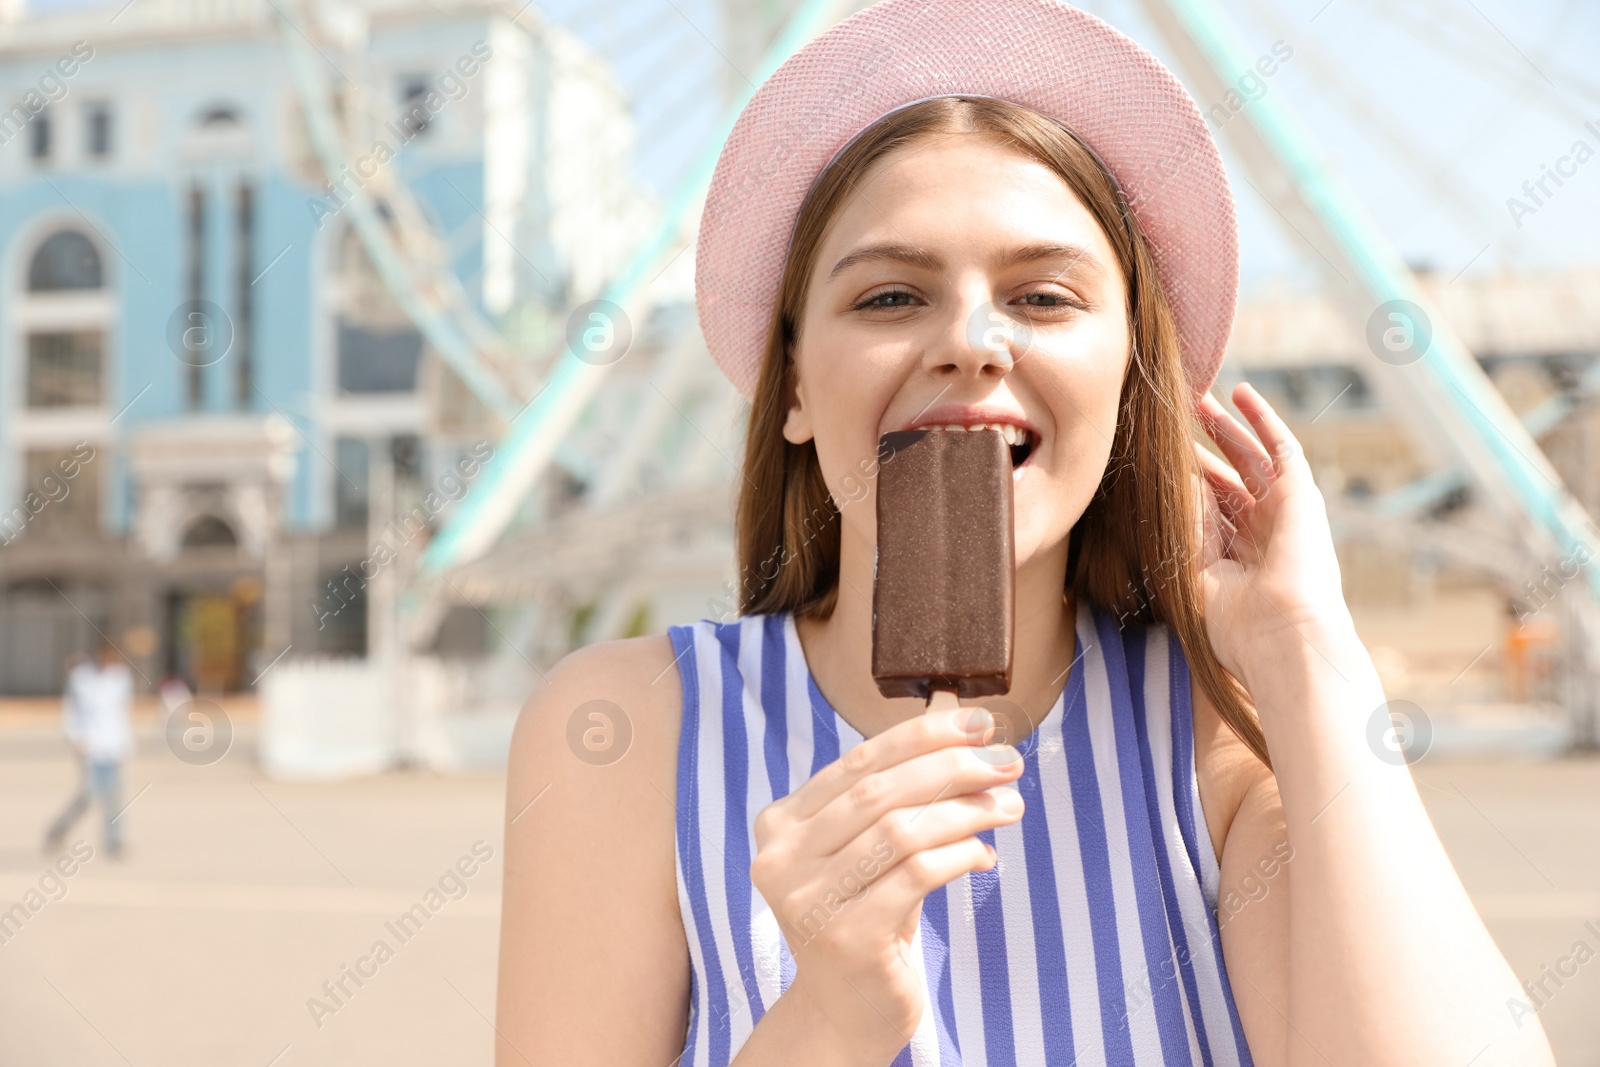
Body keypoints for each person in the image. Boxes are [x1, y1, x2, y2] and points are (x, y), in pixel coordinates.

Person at [495, 2, 1556, 1064]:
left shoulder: (1220, 745)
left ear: (1130, 377)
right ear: (795, 388)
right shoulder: (626, 730)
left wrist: (1311, 657)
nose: (968, 341)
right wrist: (828, 1021)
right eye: (891, 295)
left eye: (1042, 296)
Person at [45, 640, 134, 860]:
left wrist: (126, 744)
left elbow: (121, 714)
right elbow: (70, 709)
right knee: (89, 793)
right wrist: (72, 735)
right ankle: (58, 830)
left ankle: (113, 842)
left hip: (113, 745)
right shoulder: (81, 677)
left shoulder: (121, 678)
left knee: (114, 797)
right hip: (88, 745)